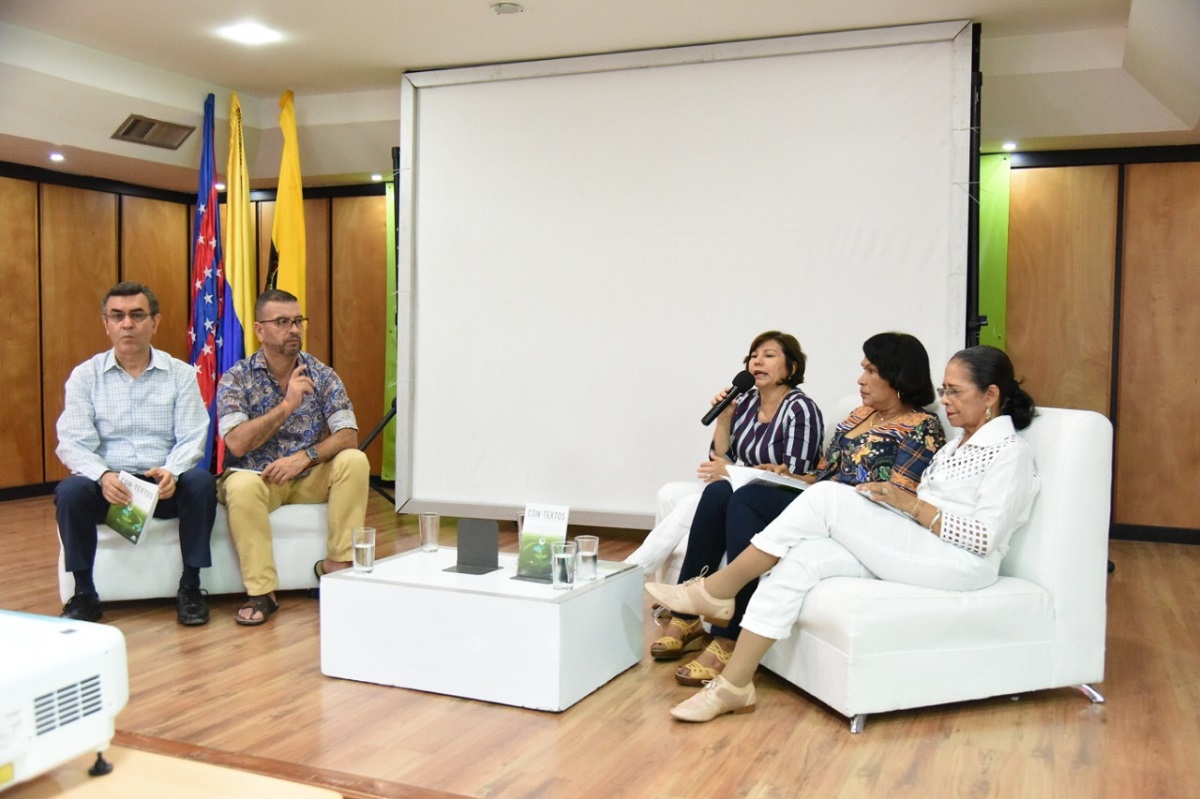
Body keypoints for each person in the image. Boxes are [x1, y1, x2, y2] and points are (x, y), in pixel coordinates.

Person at [646, 345, 1040, 722]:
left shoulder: (1009, 452)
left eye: (955, 391)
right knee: (801, 560)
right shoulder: (958, 446)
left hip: (962, 564)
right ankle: (734, 684)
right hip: (923, 544)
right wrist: (893, 503)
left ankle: (718, 590)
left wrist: (911, 505)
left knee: (829, 498)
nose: (946, 399)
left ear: (990, 394)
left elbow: (985, 538)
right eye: (944, 390)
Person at [664, 333, 945, 687]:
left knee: (747, 499)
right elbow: (825, 472)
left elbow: (899, 496)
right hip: (822, 501)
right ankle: (691, 610)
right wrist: (788, 475)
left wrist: (837, 492)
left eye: (871, 371)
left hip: (859, 518)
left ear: (898, 375)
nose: (860, 379)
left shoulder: (921, 427)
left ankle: (729, 633)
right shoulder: (858, 416)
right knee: (723, 491)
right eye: (862, 370)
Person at [625, 331, 824, 657]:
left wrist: (735, 472)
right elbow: (721, 458)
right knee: (717, 492)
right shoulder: (744, 403)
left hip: (778, 498)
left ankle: (719, 628)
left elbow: (793, 473)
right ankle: (685, 617)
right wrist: (725, 418)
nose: (757, 361)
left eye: (769, 354)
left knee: (725, 492)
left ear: (790, 367)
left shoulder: (800, 409)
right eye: (753, 355)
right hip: (738, 487)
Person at [55, 281, 216, 625]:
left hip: (162, 484)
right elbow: (71, 440)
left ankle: (190, 587)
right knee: (70, 491)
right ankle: (84, 593)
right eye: (118, 316)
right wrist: (102, 475)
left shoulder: (180, 374)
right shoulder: (86, 376)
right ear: (106, 323)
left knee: (201, 483)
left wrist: (174, 469)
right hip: (111, 487)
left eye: (137, 315)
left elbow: (193, 435)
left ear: (154, 323)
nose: (127, 324)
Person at [216, 289, 369, 626]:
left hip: (308, 475)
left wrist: (306, 456)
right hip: (258, 478)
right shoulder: (236, 379)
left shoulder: (322, 374)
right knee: (239, 486)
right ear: (259, 330)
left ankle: (338, 565)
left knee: (355, 460)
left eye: (297, 321)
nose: (294, 330)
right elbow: (237, 444)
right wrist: (286, 406)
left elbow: (348, 435)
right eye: (282, 322)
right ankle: (262, 593)